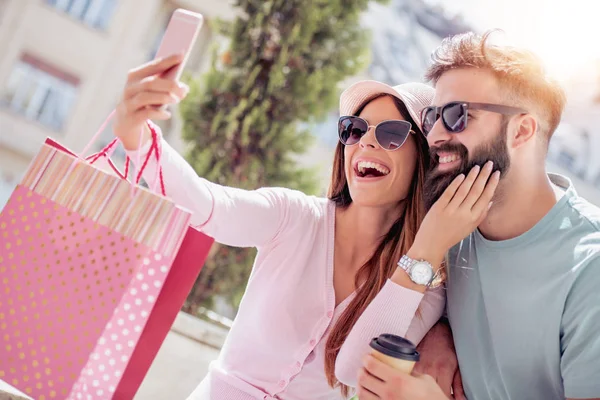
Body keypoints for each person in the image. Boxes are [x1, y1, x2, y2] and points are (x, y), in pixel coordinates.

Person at [111, 54, 497, 399]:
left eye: (392, 134)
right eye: (354, 129)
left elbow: (352, 372)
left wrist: (424, 252)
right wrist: (138, 136)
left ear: (424, 160)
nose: (365, 144)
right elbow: (208, 205)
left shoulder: (424, 277)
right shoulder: (293, 216)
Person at [356, 30, 600, 400]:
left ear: (522, 130)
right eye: (433, 116)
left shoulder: (589, 269)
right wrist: (442, 332)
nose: (435, 135)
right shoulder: (451, 226)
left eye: (458, 116)